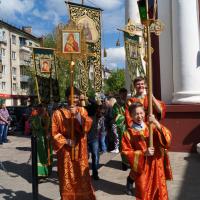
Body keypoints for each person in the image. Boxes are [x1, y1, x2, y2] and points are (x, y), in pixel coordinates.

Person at [51, 87, 96, 200]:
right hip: (65, 152)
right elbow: (54, 133)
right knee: (67, 178)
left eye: (76, 97)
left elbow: (86, 126)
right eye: (72, 96)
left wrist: (77, 116)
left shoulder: (82, 111)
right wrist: (66, 141)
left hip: (80, 149)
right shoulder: (58, 113)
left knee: (81, 177)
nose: (74, 99)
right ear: (67, 97)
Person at [122, 102, 173, 199]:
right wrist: (143, 153)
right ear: (131, 115)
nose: (139, 116)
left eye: (141, 113)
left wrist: (156, 122)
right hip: (142, 170)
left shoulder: (152, 127)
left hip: (156, 165)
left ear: (145, 113)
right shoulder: (128, 133)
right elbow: (127, 153)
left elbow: (167, 140)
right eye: (136, 114)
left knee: (159, 192)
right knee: (143, 193)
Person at [31, 104, 52, 179]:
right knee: (40, 156)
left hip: (47, 139)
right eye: (39, 109)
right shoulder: (35, 116)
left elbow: (50, 126)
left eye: (42, 109)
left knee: (47, 155)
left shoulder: (47, 116)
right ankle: (40, 173)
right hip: (39, 138)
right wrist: (40, 120)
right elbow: (34, 126)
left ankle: (47, 172)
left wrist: (49, 132)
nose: (41, 110)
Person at [88, 104, 106, 180]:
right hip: (86, 139)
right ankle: (84, 175)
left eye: (103, 113)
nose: (101, 114)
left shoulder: (102, 118)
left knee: (95, 156)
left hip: (94, 139)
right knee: (85, 157)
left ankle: (95, 173)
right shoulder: (91, 118)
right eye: (100, 112)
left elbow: (102, 129)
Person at [112, 88, 129, 170]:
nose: (124, 96)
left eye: (125, 94)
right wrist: (127, 117)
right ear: (119, 94)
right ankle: (124, 163)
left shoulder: (129, 103)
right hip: (122, 128)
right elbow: (116, 117)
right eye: (122, 94)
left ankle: (130, 162)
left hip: (130, 127)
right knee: (123, 146)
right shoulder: (116, 105)